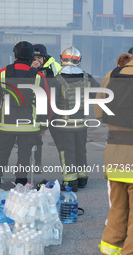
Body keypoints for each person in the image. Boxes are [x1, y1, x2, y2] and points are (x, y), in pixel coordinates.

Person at [96, 31, 133, 255]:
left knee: (117, 210)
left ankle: (109, 249)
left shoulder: (113, 74)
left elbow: (99, 113)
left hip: (114, 155)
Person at [0, 41, 51, 188]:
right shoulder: (38, 76)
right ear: (31, 56)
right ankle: (21, 185)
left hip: (6, 125)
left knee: (2, 155)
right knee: (24, 156)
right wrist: (43, 126)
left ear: (15, 54)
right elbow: (44, 102)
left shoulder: (2, 73)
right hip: (29, 126)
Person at [50, 46, 99, 192]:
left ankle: (70, 182)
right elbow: (98, 94)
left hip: (64, 124)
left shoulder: (56, 79)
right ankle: (82, 178)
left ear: (62, 59)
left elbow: (51, 102)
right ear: (79, 60)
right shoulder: (87, 77)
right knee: (80, 150)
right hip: (82, 124)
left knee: (67, 152)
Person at [31, 44, 62, 169]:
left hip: (54, 107)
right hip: (37, 108)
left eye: (39, 57)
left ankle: (65, 165)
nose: (37, 60)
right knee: (37, 138)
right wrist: (32, 70)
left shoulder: (55, 66)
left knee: (60, 138)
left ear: (44, 57)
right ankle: (37, 164)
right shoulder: (29, 67)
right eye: (35, 57)